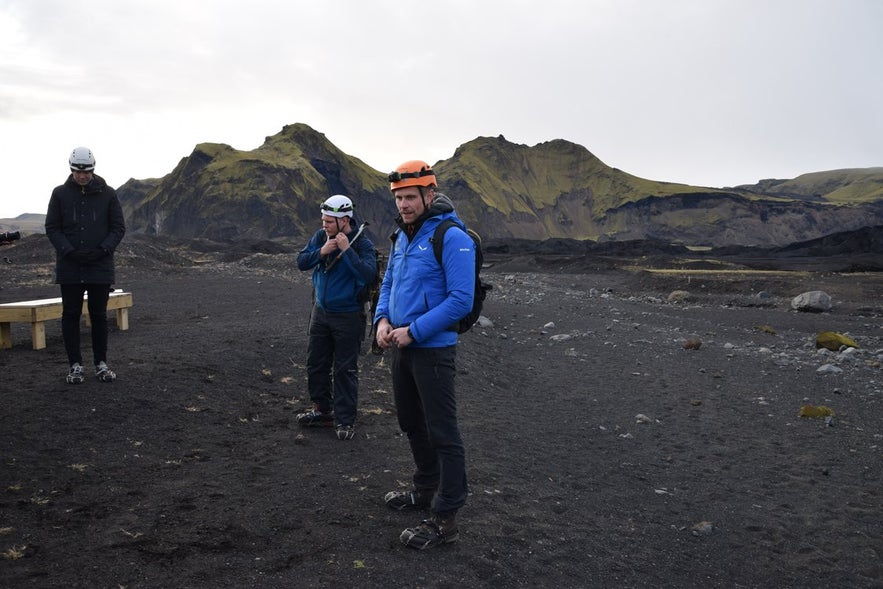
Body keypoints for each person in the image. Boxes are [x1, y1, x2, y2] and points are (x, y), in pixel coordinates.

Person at [373, 160, 475, 550]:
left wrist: (413, 332)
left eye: (410, 197)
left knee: (443, 433)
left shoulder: (450, 236)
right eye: (398, 198)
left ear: (429, 195)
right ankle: (425, 487)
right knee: (411, 423)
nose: (403, 204)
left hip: (432, 350)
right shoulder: (402, 237)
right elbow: (388, 282)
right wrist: (381, 320)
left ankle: (446, 517)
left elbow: (461, 300)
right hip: (401, 347)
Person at [296, 195, 377, 441]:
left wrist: (346, 250)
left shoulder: (363, 244)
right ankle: (322, 411)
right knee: (316, 364)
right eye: (323, 220)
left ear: (344, 220)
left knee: (344, 369)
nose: (324, 225)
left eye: (329, 221)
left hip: (348, 317)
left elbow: (368, 275)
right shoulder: (321, 238)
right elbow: (301, 261)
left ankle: (345, 420)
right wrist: (322, 251)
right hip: (320, 313)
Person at [45, 147, 126, 384]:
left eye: (87, 172)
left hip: (99, 265)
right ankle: (75, 366)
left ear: (93, 169)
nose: (82, 176)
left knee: (98, 315)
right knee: (70, 314)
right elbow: (52, 227)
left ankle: (101, 364)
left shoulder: (108, 194)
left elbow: (118, 227)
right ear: (71, 169)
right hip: (70, 266)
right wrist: (69, 251)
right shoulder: (59, 194)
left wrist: (102, 250)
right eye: (78, 171)